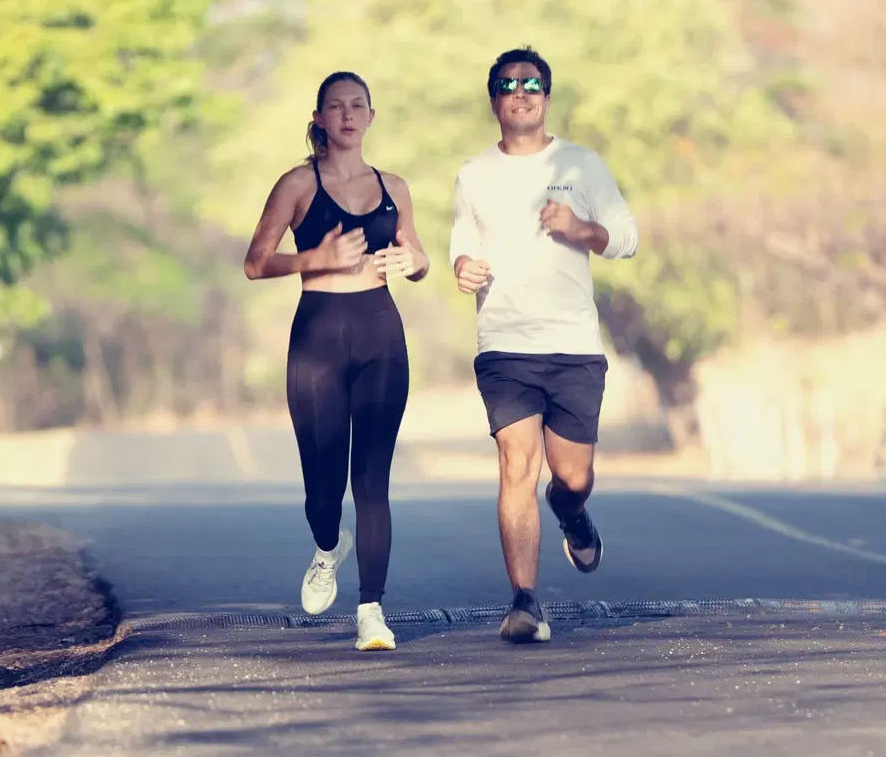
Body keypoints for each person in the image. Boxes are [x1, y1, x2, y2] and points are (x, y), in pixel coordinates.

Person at [448, 47, 640, 645]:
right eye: (508, 85)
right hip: (505, 343)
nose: (521, 92)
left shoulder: (581, 164)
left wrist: (579, 228)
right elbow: (461, 240)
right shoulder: (474, 174)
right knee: (517, 466)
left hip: (573, 343)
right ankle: (525, 602)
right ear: (494, 101)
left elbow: (627, 238)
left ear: (547, 97)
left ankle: (574, 513)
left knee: (572, 475)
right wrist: (462, 267)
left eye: (532, 84)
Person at [243, 70, 430, 652]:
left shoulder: (394, 186)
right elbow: (255, 263)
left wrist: (413, 263)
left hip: (380, 333)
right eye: (335, 106)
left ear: (371, 117)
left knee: (372, 481)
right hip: (319, 336)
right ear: (320, 118)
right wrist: (316, 258)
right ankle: (328, 548)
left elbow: (419, 256)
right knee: (323, 488)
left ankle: (371, 610)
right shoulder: (298, 184)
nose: (347, 115)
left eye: (357, 106)